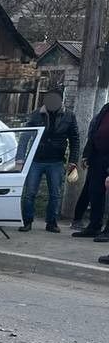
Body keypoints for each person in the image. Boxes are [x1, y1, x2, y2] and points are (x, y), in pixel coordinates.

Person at [20, 89, 79, 232]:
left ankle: (51, 222)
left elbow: (74, 139)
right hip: (36, 159)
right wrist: (20, 158)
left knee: (55, 194)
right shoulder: (36, 114)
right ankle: (27, 221)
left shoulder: (69, 116)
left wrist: (72, 161)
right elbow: (25, 136)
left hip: (56, 161)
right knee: (29, 193)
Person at [73, 99, 109, 241]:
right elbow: (94, 132)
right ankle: (94, 226)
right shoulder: (106, 108)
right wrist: (87, 154)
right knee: (95, 192)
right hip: (98, 157)